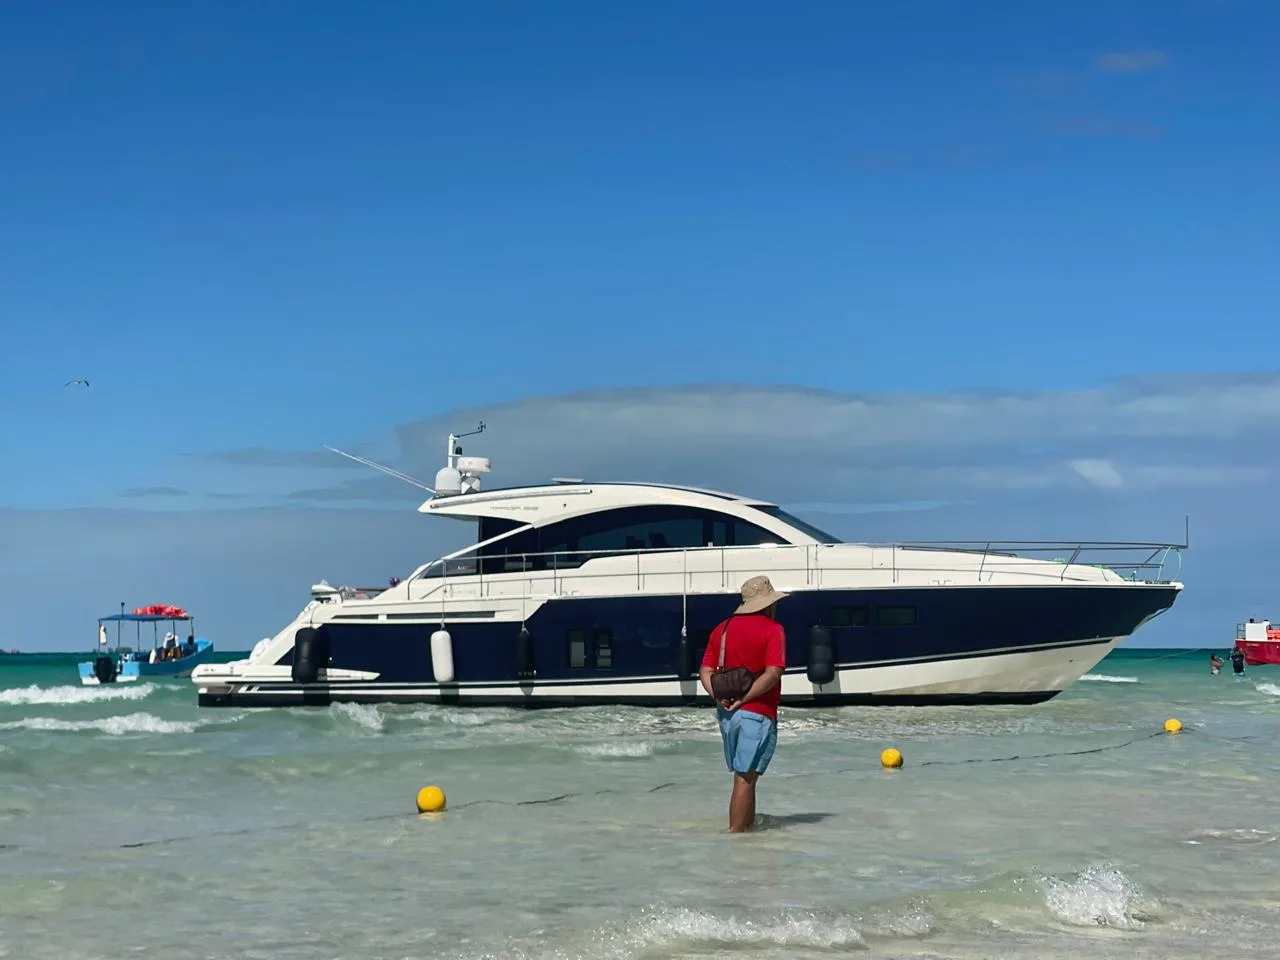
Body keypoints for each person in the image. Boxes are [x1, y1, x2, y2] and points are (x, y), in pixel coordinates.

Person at [699, 574, 788, 833]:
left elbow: (705, 670)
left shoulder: (722, 628)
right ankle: (737, 840)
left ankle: (747, 834)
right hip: (756, 713)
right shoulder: (773, 629)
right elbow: (773, 673)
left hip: (727, 714)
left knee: (744, 778)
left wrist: (718, 696)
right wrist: (744, 699)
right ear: (769, 604)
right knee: (745, 780)